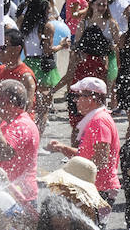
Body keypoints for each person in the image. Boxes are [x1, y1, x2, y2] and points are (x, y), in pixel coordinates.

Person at [47, 77, 120, 208]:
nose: (75, 101)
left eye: (78, 96)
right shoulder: (96, 119)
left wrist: (75, 181)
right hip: (95, 186)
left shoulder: (99, 122)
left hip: (100, 188)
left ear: (91, 98)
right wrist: (62, 148)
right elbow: (86, 156)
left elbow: (101, 159)